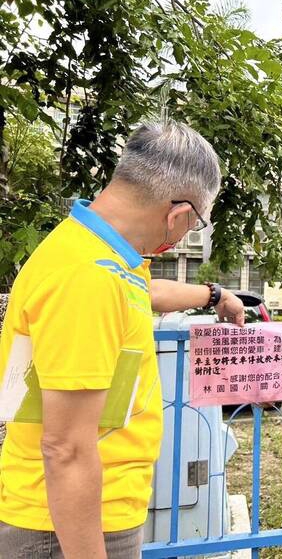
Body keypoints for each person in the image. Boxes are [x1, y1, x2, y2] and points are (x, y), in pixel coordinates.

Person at [0, 121, 245, 559]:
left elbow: (145, 293)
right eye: (193, 226)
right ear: (180, 216)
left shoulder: (106, 256)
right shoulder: (87, 278)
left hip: (86, 510)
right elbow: (66, 449)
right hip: (65, 526)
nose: (182, 237)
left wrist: (216, 295)